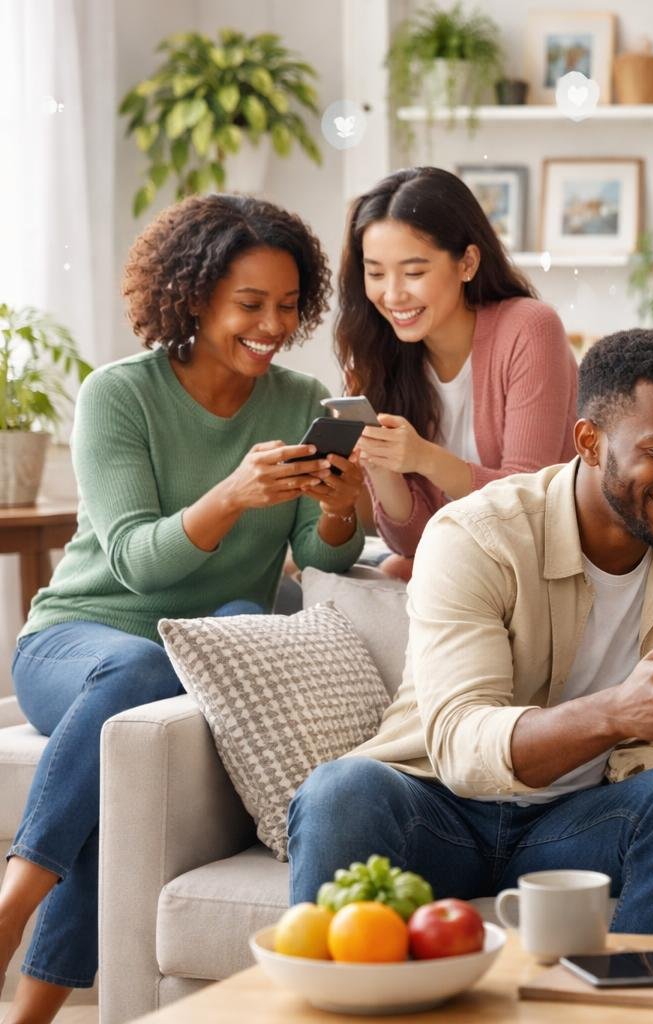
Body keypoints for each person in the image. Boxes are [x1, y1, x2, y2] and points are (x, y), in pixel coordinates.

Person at [3, 195, 363, 1022]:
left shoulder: (301, 398)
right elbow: (134, 565)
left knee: (129, 772)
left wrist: (342, 508)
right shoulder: (118, 395)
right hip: (82, 641)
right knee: (141, 663)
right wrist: (232, 496)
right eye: (249, 304)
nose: (271, 324)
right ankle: (15, 900)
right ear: (194, 295)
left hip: (190, 656)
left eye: (286, 304)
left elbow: (320, 557)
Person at [288, 329, 653, 936]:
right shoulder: (478, 535)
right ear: (589, 442)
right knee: (341, 791)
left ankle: (639, 1001)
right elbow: (459, 742)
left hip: (578, 823)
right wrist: (617, 712)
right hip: (439, 808)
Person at [335, 166, 578, 580]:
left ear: (467, 262)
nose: (392, 295)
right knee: (378, 574)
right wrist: (381, 463)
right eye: (375, 273)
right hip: (450, 567)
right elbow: (411, 543)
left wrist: (423, 457)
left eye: (414, 273)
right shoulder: (378, 355)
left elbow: (528, 505)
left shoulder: (529, 329)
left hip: (537, 564)